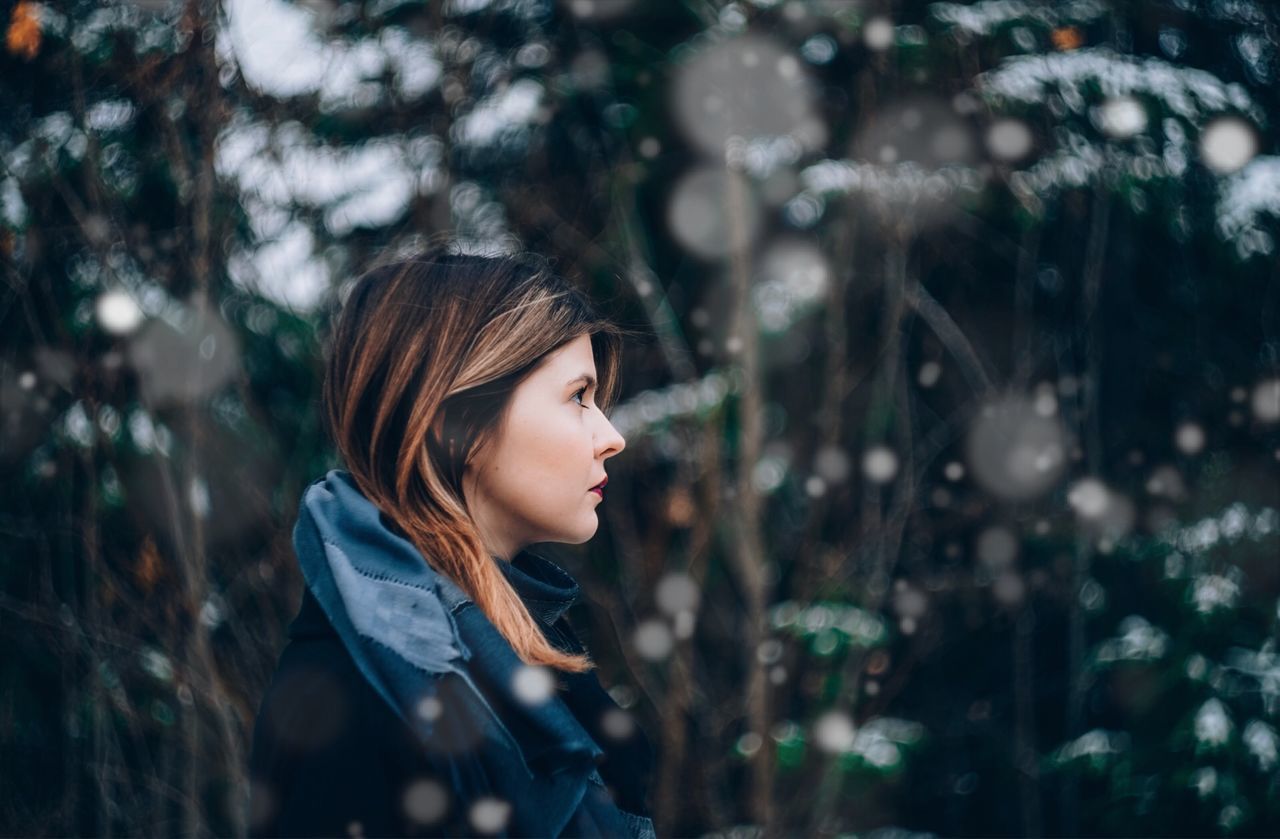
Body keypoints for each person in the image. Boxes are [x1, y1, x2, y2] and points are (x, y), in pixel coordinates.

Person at [247, 246, 657, 838]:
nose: (610, 436)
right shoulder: (345, 702)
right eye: (578, 397)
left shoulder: (516, 648)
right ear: (456, 420)